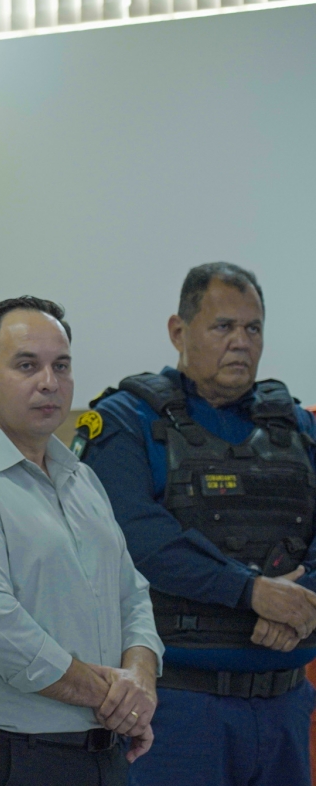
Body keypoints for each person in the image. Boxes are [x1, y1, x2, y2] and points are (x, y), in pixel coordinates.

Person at [81, 262, 316, 786]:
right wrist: (251, 593)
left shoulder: (297, 425)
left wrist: (302, 603)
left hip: (285, 704)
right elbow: (139, 539)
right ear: (178, 331)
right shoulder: (127, 420)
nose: (241, 342)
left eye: (252, 328)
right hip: (180, 708)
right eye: (223, 326)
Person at [0, 296, 164, 786]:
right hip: (24, 754)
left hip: (107, 750)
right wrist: (109, 695)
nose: (49, 382)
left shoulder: (81, 477)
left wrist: (141, 679)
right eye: (27, 365)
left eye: (62, 366)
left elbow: (132, 592)